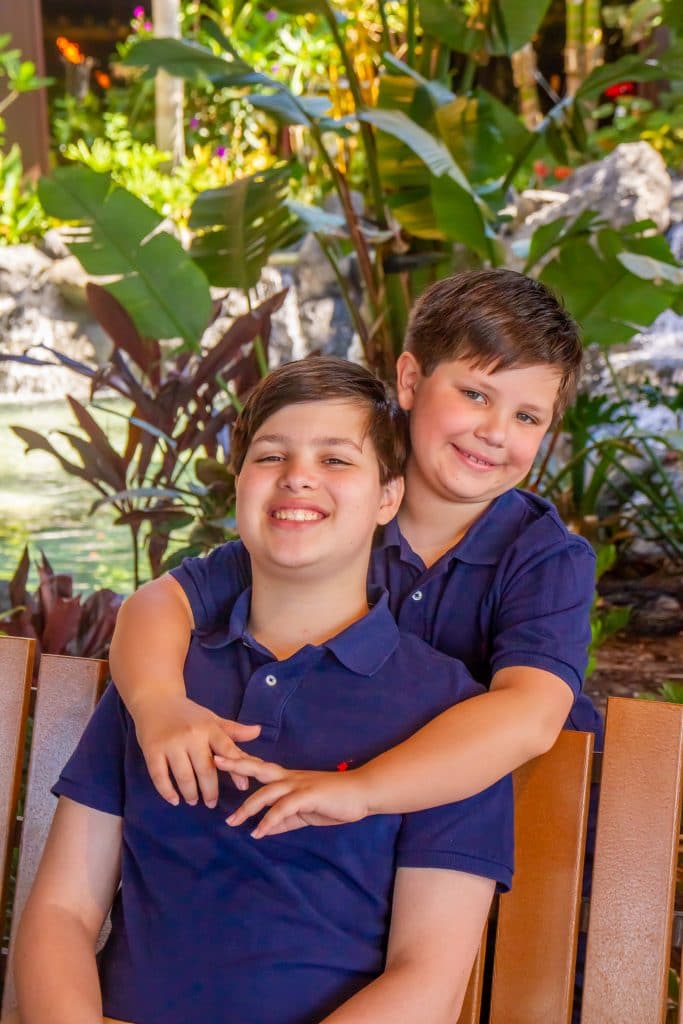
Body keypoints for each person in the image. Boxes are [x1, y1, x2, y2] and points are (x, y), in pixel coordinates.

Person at [12, 359, 513, 1024]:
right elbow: (61, 911)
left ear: (388, 497)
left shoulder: (450, 717)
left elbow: (428, 977)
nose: (297, 475)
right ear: (241, 484)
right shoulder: (159, 681)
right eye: (270, 455)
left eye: (336, 460)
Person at [108, 268, 602, 833]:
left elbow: (530, 717)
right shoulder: (328, 516)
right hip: (364, 830)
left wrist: (362, 791)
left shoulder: (544, 558)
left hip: (522, 827)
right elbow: (159, 603)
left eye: (527, 417)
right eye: (474, 394)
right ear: (411, 381)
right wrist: (158, 704)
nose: (495, 431)